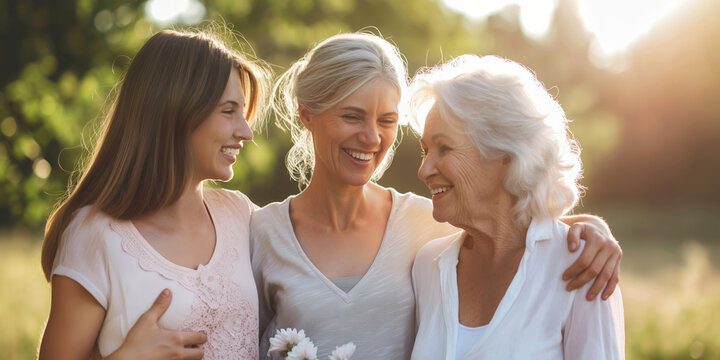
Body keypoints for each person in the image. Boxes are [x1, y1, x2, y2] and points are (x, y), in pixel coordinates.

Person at [251, 33, 622, 359]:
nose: (372, 138)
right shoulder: (263, 232)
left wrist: (588, 228)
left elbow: (513, 231)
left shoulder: (427, 226)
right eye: (352, 116)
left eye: (386, 121)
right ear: (307, 115)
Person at [38, 29, 269, 360]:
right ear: (175, 110)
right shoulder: (95, 235)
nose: (246, 132)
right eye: (228, 110)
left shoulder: (242, 216)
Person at [409, 55, 624, 359]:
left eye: (444, 148)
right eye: (425, 150)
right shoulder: (426, 266)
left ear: (506, 155)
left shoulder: (583, 267)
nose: (424, 170)